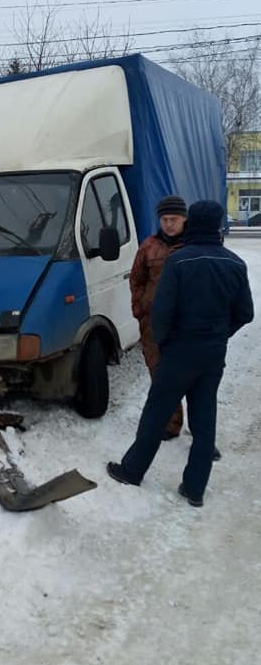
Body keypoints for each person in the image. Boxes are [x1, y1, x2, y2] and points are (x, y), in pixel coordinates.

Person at [107, 200, 254, 507]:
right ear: (217, 226)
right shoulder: (235, 263)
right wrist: (219, 335)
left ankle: (132, 471)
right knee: (204, 418)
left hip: (178, 352)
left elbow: (161, 313)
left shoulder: (179, 261)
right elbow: (245, 313)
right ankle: (195, 489)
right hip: (213, 354)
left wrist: (164, 343)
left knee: (156, 414)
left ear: (192, 223)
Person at [130, 195, 187, 440]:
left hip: (185, 325)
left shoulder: (194, 246)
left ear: (184, 219)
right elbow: (136, 280)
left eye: (174, 219)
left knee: (192, 379)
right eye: (164, 219)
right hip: (153, 325)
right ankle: (170, 424)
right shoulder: (149, 246)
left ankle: (202, 431)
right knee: (160, 376)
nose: (169, 224)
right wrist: (140, 310)